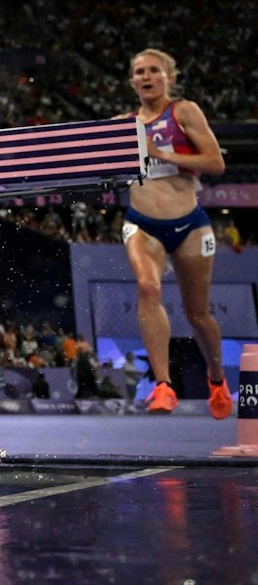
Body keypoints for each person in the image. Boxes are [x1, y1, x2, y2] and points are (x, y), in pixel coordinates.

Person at [118, 47, 231, 418]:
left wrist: (161, 154)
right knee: (148, 288)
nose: (146, 77)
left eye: (154, 70)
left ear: (169, 76)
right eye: (139, 72)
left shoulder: (184, 111)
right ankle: (163, 385)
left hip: (190, 224)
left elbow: (215, 163)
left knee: (197, 312)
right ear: (132, 80)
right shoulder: (124, 123)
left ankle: (216, 376)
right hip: (141, 222)